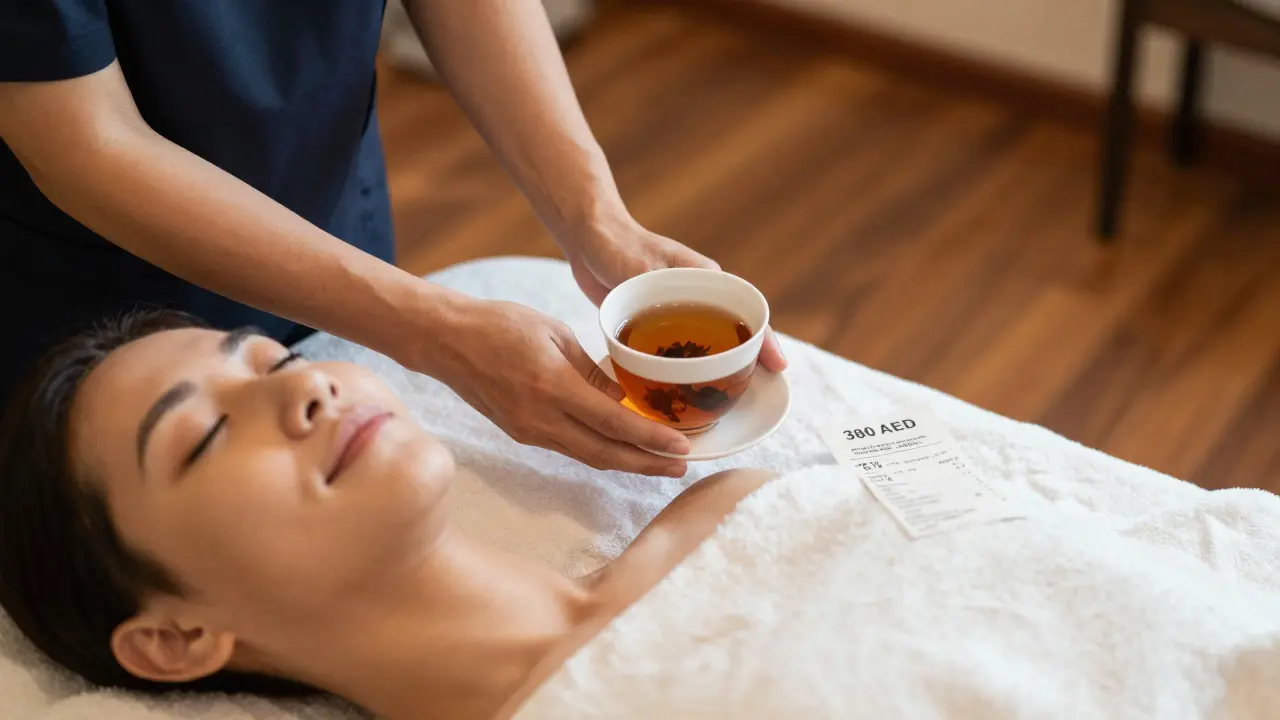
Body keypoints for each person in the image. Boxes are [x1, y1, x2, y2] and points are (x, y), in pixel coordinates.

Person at [0, 1, 786, 480]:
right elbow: (82, 141)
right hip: (98, 311)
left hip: (329, 225)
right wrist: (433, 330)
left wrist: (597, 220)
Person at [0, 311, 778, 720]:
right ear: (177, 639)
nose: (304, 392)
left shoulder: (734, 512)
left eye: (279, 361)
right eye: (203, 437)